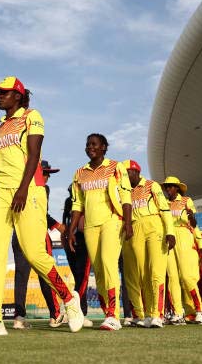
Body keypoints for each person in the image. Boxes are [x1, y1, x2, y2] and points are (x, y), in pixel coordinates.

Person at [0, 77, 84, 336]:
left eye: (4, 93)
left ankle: (69, 298)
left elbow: (33, 155)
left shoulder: (32, 116)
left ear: (18, 96)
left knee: (34, 253)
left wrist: (21, 189)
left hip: (28, 189)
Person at [67, 134, 133, 331]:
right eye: (88, 144)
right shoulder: (80, 173)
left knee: (108, 262)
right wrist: (71, 231)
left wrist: (128, 222)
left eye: (94, 144)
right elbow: (77, 204)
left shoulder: (115, 167)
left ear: (104, 147)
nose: (90, 147)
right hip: (90, 226)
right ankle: (108, 313)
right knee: (100, 271)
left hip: (112, 221)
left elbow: (126, 196)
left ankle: (114, 316)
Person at [11, 160, 67, 329]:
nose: (48, 177)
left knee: (21, 277)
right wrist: (58, 226)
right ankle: (55, 315)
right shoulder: (42, 189)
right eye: (45, 173)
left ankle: (18, 318)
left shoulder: (18, 186)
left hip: (19, 234)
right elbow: (42, 214)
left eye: (48, 173)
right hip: (37, 235)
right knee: (45, 273)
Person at [124, 160, 176, 328]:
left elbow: (164, 208)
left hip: (154, 226)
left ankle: (157, 315)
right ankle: (145, 314)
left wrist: (170, 231)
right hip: (134, 228)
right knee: (141, 274)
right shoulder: (124, 190)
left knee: (156, 271)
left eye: (128, 173)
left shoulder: (151, 185)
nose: (125, 176)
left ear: (136, 171)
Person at [162, 177, 202, 325]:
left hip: (184, 236)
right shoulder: (164, 203)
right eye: (166, 187)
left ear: (177, 188)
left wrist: (201, 248)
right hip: (168, 238)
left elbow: (194, 224)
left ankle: (199, 311)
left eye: (170, 187)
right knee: (172, 278)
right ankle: (178, 313)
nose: (167, 189)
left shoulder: (186, 200)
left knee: (187, 277)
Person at [62, 186, 93, 328]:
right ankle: (80, 312)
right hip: (75, 242)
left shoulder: (77, 202)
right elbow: (67, 225)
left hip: (78, 241)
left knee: (81, 279)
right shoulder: (71, 202)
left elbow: (69, 225)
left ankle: (80, 312)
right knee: (81, 279)